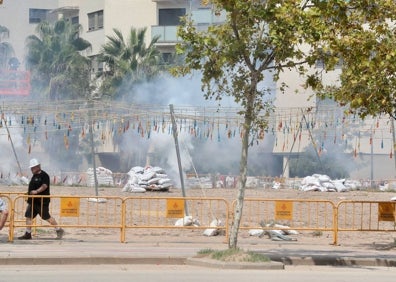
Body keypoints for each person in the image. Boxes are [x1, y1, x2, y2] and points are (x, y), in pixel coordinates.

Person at [18, 158, 64, 240]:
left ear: (38, 166)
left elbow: (44, 186)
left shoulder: (44, 175)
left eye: (33, 168)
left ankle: (59, 230)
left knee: (46, 217)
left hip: (41, 201)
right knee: (28, 216)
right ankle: (28, 233)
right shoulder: (34, 176)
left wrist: (36, 191)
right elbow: (32, 185)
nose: (31, 169)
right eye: (31, 168)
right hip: (33, 201)